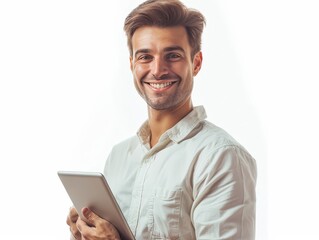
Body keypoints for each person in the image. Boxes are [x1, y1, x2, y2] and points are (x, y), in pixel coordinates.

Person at [66, 0, 257, 239]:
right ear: (132, 64)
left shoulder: (220, 156)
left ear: (196, 63)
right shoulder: (118, 157)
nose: (157, 70)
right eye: (145, 56)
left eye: (173, 55)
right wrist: (84, 233)